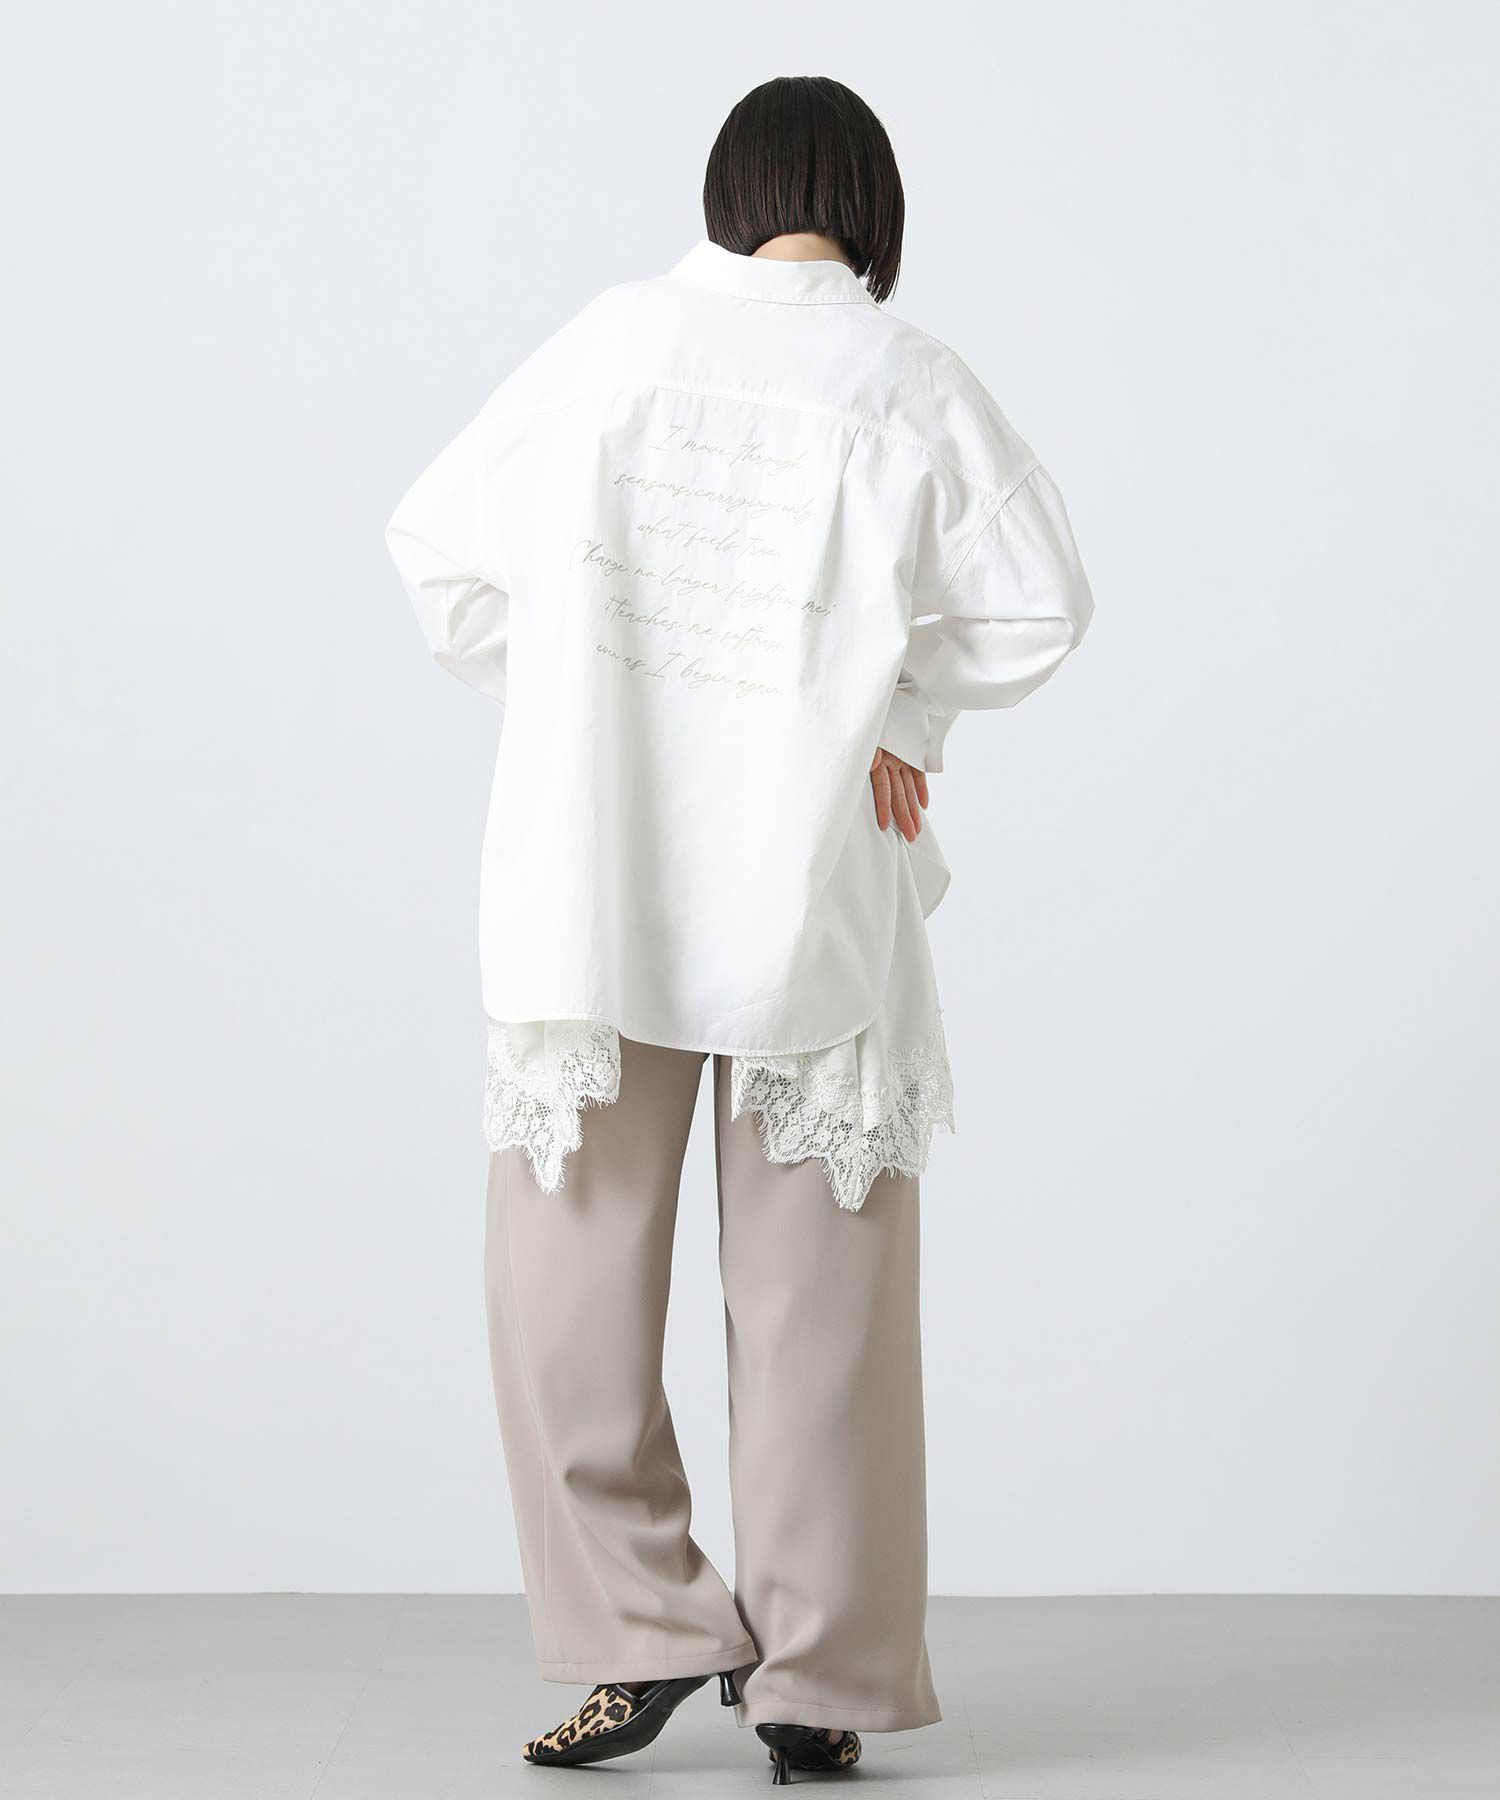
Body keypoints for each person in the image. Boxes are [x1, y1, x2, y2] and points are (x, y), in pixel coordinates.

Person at [386, 73, 1093, 1786]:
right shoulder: (904, 378)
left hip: (598, 874)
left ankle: (638, 1630)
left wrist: (587, 707)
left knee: (563, 1292)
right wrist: (900, 719)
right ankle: (816, 1685)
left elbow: (439, 560)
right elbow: (1044, 604)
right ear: (870, 210)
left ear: (726, 192)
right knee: (821, 1310)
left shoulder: (607, 349)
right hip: (810, 891)